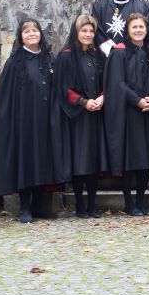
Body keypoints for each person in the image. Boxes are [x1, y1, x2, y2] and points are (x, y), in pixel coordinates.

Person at [0, 18, 58, 223]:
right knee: (27, 161)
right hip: (24, 121)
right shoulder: (15, 63)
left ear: (41, 33)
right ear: (20, 36)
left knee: (44, 160)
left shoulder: (49, 59)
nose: (31, 34)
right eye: (26, 31)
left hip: (46, 119)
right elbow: (6, 96)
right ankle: (25, 207)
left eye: (35, 30)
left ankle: (41, 205)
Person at [103, 13, 149, 216]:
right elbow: (117, 84)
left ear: (146, 29)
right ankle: (129, 202)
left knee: (144, 159)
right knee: (129, 160)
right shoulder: (119, 52)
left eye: (141, 27)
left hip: (148, 111)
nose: (138, 30)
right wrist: (138, 100)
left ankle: (141, 202)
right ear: (128, 30)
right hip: (128, 112)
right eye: (134, 27)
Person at [55, 14, 106, 218]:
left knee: (93, 161)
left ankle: (92, 205)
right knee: (80, 161)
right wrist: (84, 102)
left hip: (97, 113)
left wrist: (101, 98)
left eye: (91, 31)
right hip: (77, 116)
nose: (88, 34)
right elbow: (62, 88)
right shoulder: (66, 56)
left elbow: (106, 82)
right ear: (77, 32)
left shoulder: (98, 55)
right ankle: (79, 205)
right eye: (84, 30)